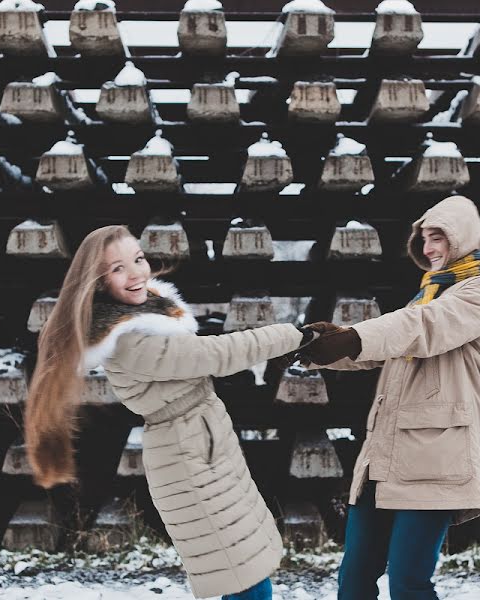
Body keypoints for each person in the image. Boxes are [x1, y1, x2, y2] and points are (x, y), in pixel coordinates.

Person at [24, 225, 316, 600]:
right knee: (241, 576)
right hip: (188, 458)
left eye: (139, 259)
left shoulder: (150, 314)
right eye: (117, 268)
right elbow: (216, 355)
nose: (136, 273)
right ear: (97, 283)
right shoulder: (130, 341)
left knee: (246, 569)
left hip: (203, 443)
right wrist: (295, 335)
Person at [300, 195, 480, 600]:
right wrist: (320, 347)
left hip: (435, 460)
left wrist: (353, 337)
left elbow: (423, 329)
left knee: (409, 584)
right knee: (354, 579)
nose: (429, 248)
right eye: (425, 239)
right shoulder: (427, 295)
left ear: (463, 238)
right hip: (383, 458)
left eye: (439, 238)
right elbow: (385, 347)